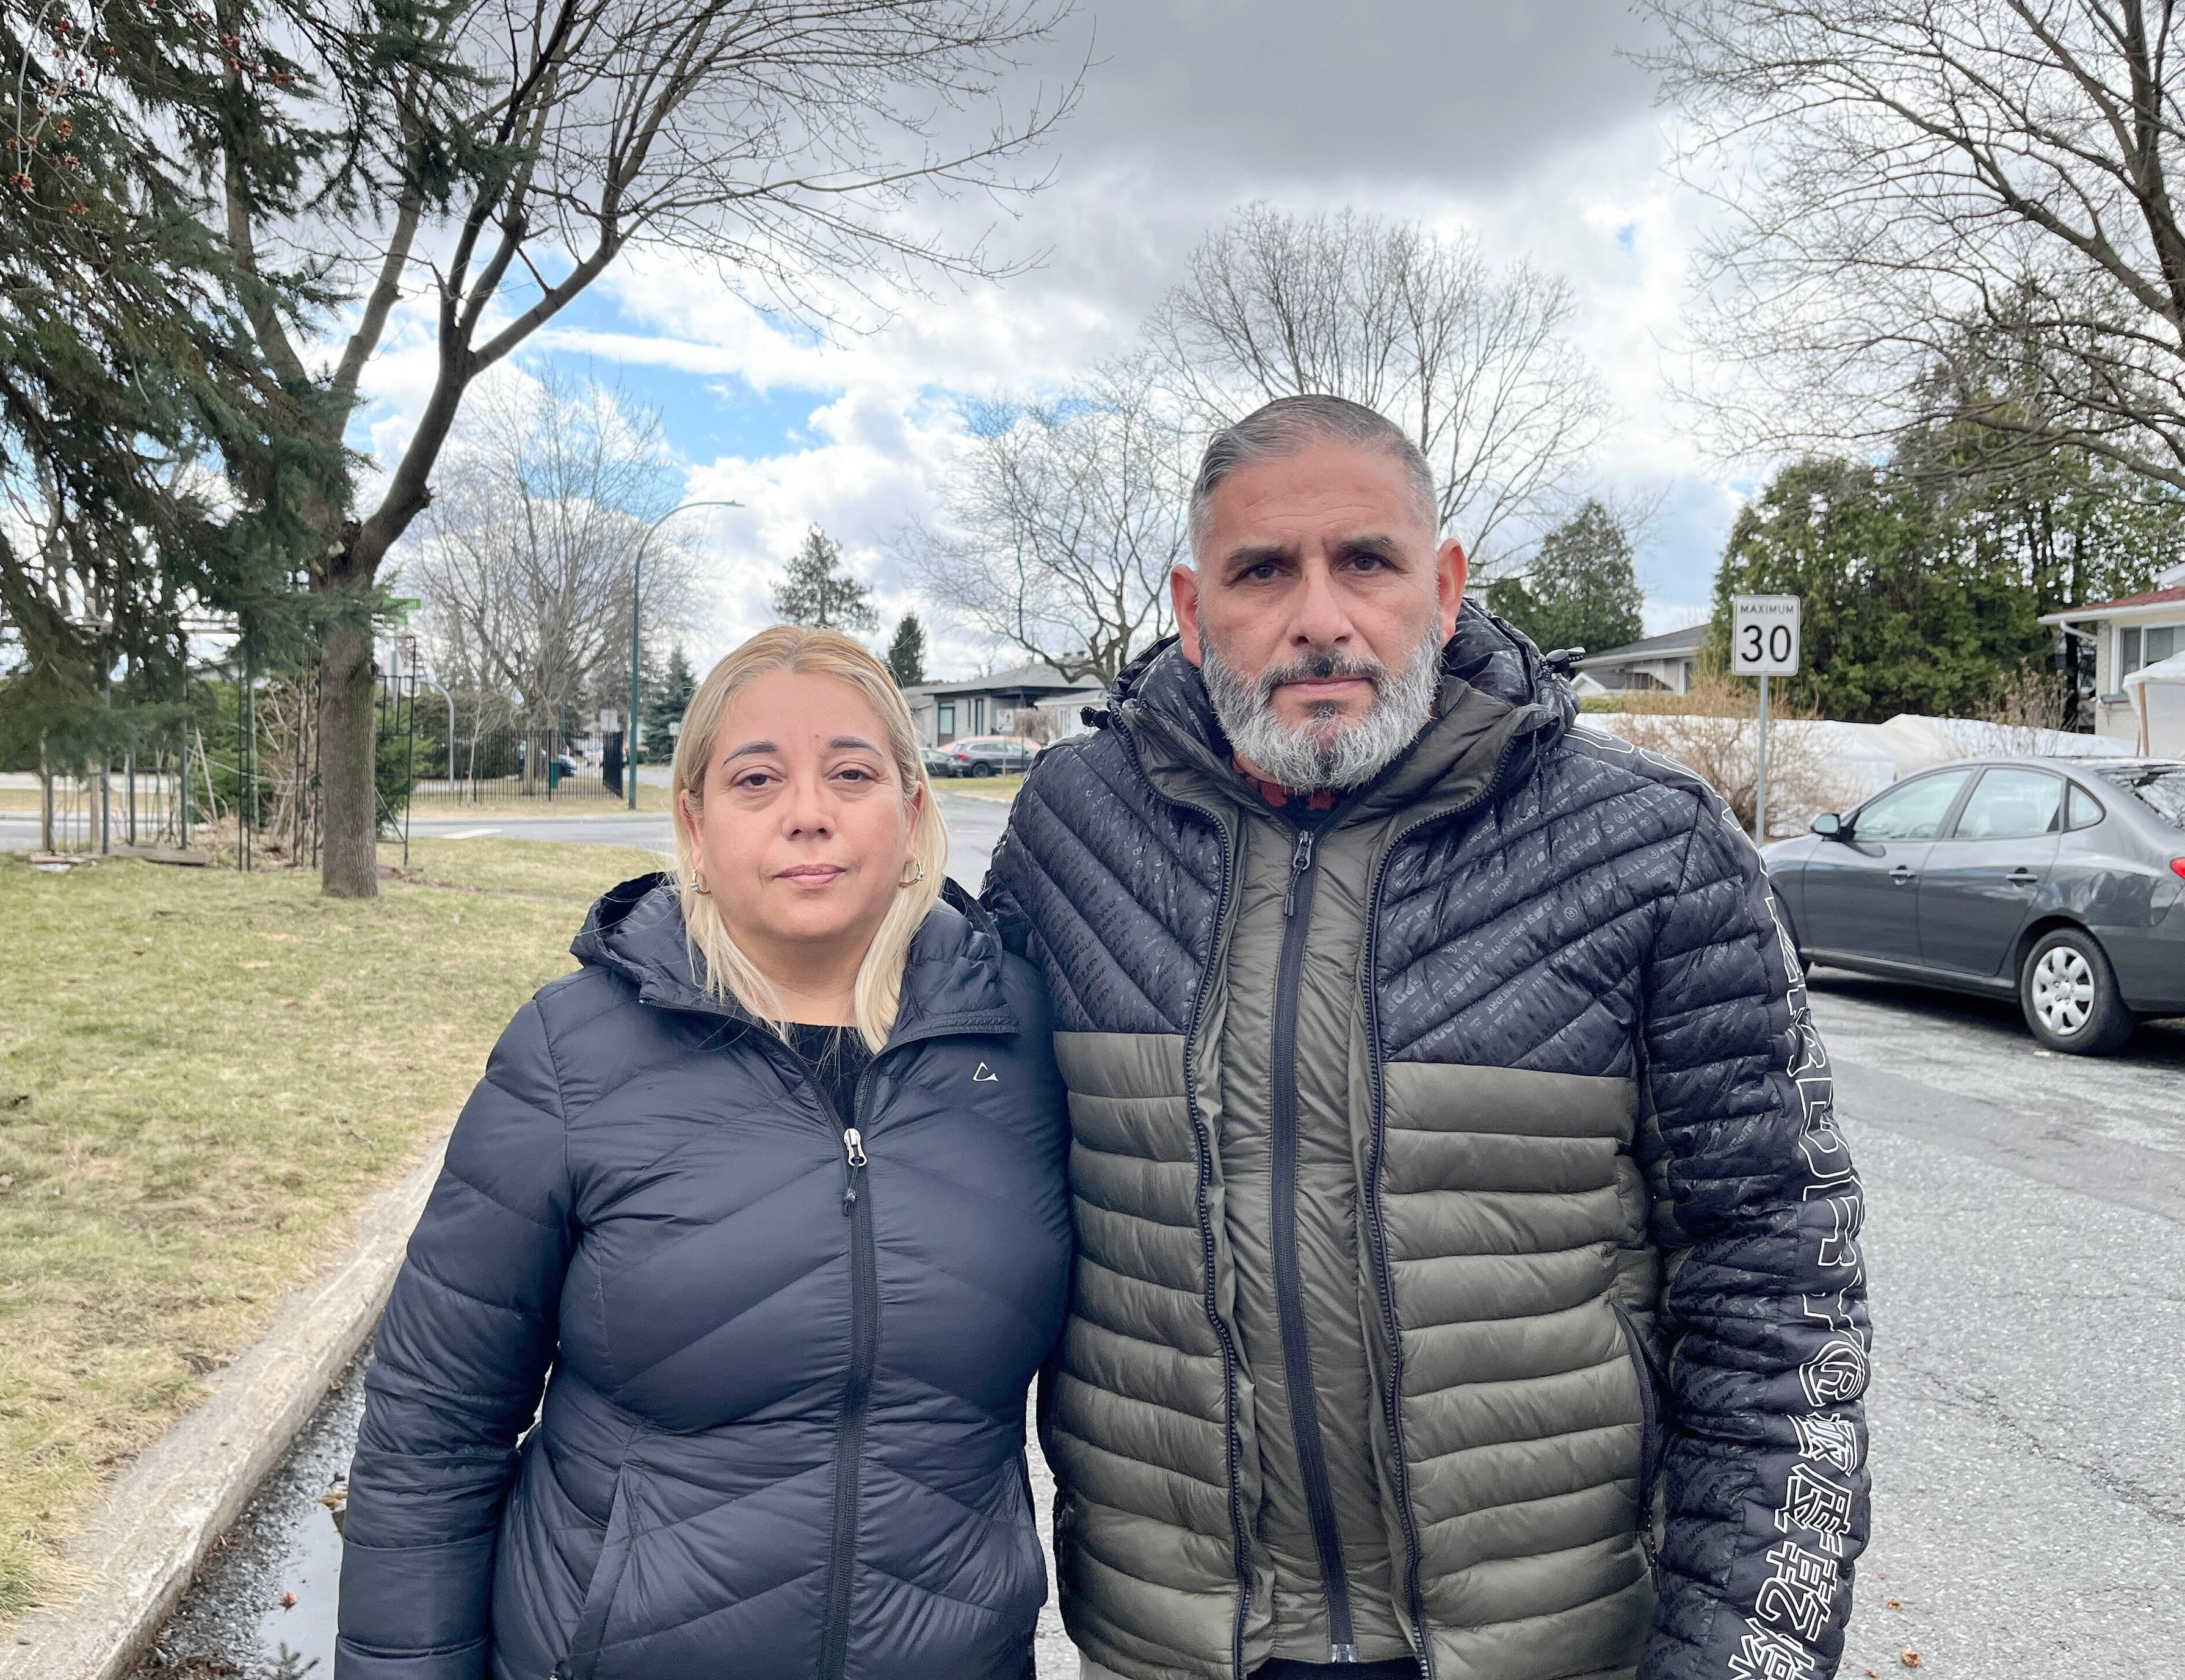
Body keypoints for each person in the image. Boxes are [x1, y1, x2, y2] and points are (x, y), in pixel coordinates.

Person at [986, 396, 1870, 1680]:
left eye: (1367, 561)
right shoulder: (1072, 836)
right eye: (1262, 570)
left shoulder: (1649, 848)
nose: (1320, 616)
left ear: (1444, 587)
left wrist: (1747, 1657)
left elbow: (1783, 1291)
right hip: (1174, 1644)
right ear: (1191, 607)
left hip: (1555, 1643)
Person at [337, 626, 1073, 1680]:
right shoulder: (569, 1054)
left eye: (852, 773)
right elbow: (432, 1432)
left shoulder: (1026, 1047)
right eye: (757, 777)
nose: (808, 811)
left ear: (913, 815)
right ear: (694, 823)